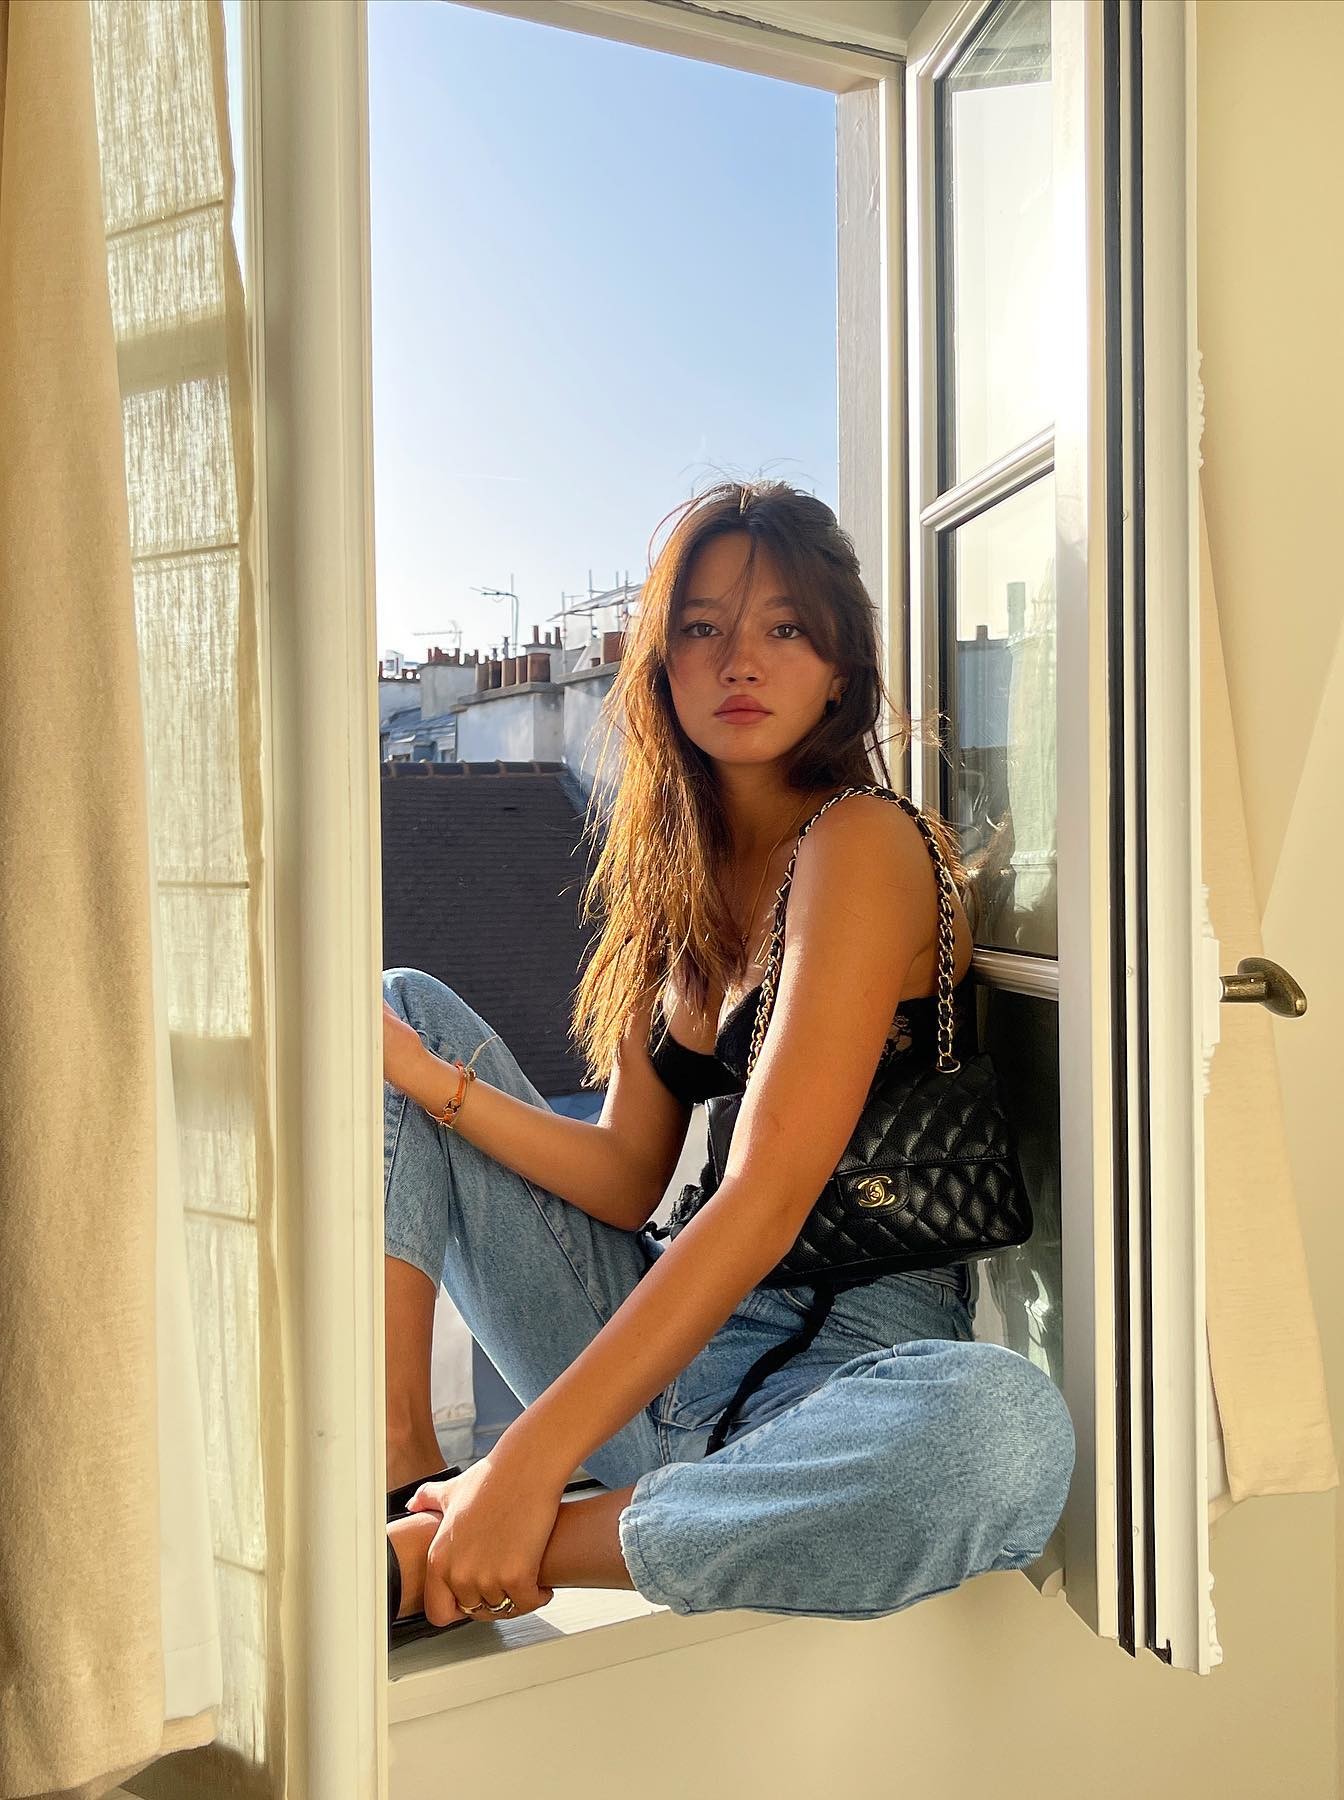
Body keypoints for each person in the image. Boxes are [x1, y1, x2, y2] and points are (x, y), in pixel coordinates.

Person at [381, 478, 1075, 1638]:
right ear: (661, 668)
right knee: (406, 1007)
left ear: (840, 668)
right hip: (667, 1348)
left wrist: (524, 1465)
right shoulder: (677, 890)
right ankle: (402, 1475)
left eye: (784, 628)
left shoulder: (862, 843)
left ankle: (461, 1551)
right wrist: (430, 1085)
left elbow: (764, 1197)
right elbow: (625, 1176)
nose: (740, 661)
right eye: (702, 629)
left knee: (999, 1437)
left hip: (834, 1377)